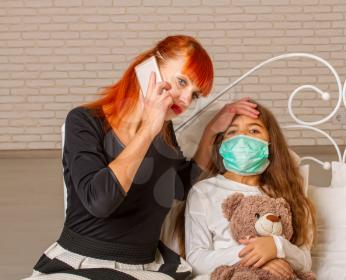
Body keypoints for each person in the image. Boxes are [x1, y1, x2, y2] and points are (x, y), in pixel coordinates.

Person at [23, 35, 259, 280]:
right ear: (149, 68)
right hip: (84, 263)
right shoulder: (84, 121)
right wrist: (148, 128)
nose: (187, 100)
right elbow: (100, 201)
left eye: (195, 94)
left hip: (147, 266)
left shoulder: (164, 131)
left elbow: (182, 186)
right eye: (181, 82)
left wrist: (211, 131)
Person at [184, 101, 317, 278]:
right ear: (222, 146)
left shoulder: (287, 193)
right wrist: (256, 255)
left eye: (254, 130)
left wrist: (276, 247)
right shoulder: (203, 192)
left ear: (270, 143)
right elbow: (196, 261)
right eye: (232, 132)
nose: (242, 138)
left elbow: (305, 261)